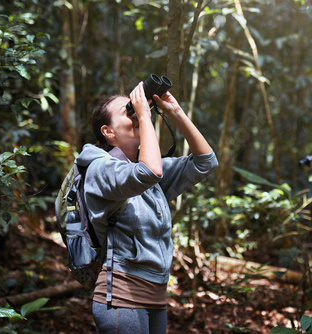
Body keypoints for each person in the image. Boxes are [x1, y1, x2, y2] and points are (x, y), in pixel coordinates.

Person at [75, 81, 218, 333]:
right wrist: (143, 114)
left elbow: (205, 162)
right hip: (121, 296)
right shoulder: (100, 169)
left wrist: (176, 112)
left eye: (134, 109)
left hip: (156, 296)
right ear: (108, 132)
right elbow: (148, 171)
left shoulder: (149, 173)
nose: (137, 113)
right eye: (127, 111)